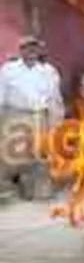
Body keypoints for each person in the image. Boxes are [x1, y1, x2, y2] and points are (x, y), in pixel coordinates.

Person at [0, 36, 61, 199]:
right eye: (27, 47)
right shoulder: (9, 69)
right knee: (14, 154)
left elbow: (54, 97)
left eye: (34, 47)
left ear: (39, 50)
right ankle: (12, 191)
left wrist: (56, 120)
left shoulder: (48, 71)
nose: (31, 50)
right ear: (21, 50)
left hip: (40, 116)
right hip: (16, 116)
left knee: (40, 155)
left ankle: (40, 192)